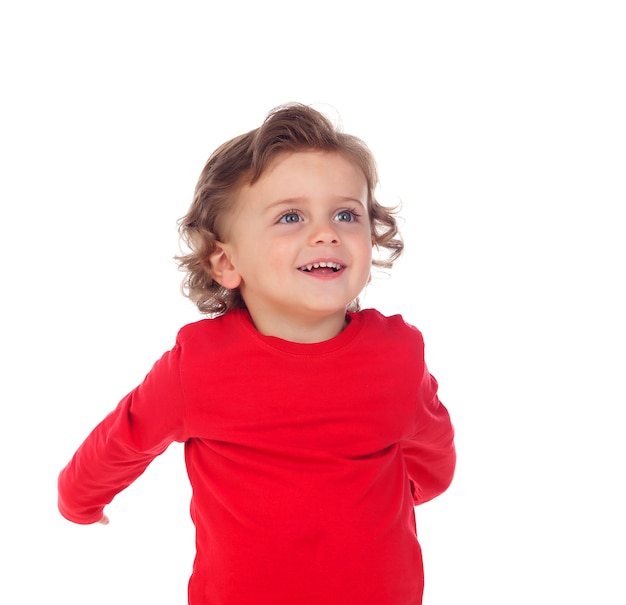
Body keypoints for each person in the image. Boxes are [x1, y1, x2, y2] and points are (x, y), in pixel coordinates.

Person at [58, 103, 456, 604]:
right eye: (291, 216)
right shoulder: (199, 366)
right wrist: (80, 498)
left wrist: (416, 491)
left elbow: (431, 445)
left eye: (346, 213)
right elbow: (127, 435)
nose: (326, 232)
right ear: (226, 261)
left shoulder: (397, 354)